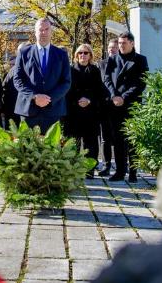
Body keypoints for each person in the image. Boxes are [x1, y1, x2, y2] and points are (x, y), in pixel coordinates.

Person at [102, 32, 148, 182]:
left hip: (131, 104)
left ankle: (133, 172)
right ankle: (120, 171)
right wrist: (114, 96)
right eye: (120, 43)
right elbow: (107, 79)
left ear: (132, 43)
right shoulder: (112, 59)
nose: (120, 45)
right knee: (118, 139)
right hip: (114, 105)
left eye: (124, 43)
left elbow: (141, 83)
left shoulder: (140, 60)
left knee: (132, 139)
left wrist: (124, 97)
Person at [13, 18, 71, 133]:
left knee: (52, 149)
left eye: (46, 29)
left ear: (51, 32)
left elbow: (66, 82)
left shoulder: (61, 55)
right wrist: (34, 96)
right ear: (35, 32)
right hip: (28, 110)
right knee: (27, 149)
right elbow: (18, 80)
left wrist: (49, 99)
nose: (43, 32)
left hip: (53, 110)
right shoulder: (24, 53)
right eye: (40, 30)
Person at [63, 44, 107, 178]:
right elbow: (66, 90)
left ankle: (89, 170)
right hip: (73, 112)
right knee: (72, 143)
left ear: (90, 55)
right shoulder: (70, 70)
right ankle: (72, 170)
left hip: (90, 113)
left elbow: (99, 91)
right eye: (80, 53)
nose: (83, 55)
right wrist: (77, 100)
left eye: (86, 53)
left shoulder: (95, 70)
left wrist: (89, 100)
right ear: (76, 55)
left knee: (91, 144)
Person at [97, 38, 119, 176]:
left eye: (114, 47)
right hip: (104, 106)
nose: (111, 49)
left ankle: (121, 164)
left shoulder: (123, 63)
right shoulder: (101, 64)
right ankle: (106, 165)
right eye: (110, 47)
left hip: (119, 106)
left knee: (119, 137)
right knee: (105, 138)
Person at [1, 42, 29, 129]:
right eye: (21, 51)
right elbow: (4, 90)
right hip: (13, 113)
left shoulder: (37, 68)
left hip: (31, 113)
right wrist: (3, 109)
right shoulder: (12, 71)